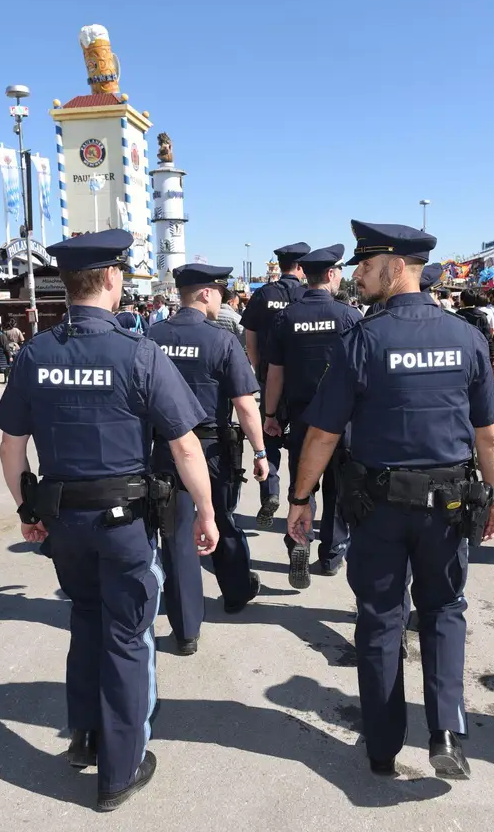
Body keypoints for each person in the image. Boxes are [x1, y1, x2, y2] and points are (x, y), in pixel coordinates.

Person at [0, 228, 218, 813]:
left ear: (66, 286)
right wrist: (209, 514)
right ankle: (121, 769)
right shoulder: (139, 352)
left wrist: (26, 511)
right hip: (123, 527)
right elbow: (187, 447)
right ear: (114, 280)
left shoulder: (35, 354)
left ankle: (86, 735)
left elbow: (10, 451)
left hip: (64, 522)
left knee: (86, 621)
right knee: (127, 637)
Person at [287, 221, 494, 779]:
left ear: (396, 266)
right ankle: (445, 732)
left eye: (365, 266)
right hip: (450, 506)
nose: (356, 275)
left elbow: (322, 435)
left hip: (379, 509)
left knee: (381, 618)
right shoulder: (466, 338)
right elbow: (488, 435)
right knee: (443, 611)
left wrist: (301, 499)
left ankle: (383, 745)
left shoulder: (362, 341)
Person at [146, 263, 270, 652]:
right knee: (219, 520)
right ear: (205, 294)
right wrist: (261, 452)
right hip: (210, 451)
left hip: (163, 450)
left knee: (177, 534)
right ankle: (234, 593)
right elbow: (245, 405)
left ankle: (185, 629)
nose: (223, 299)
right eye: (219, 292)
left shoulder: (151, 337)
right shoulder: (221, 341)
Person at [263, 244, 361, 588]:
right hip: (343, 421)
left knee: (301, 486)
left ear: (306, 276)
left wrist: (271, 414)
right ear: (332, 275)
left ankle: (298, 542)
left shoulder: (285, 317)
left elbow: (275, 373)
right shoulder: (350, 316)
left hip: (303, 417)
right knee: (337, 487)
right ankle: (332, 554)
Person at [241, 242, 310, 528]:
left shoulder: (263, 295)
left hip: (270, 377)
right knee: (302, 445)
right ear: (302, 267)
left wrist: (259, 371)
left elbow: (251, 338)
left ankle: (270, 491)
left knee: (268, 435)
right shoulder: (308, 295)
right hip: (302, 383)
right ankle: (301, 497)